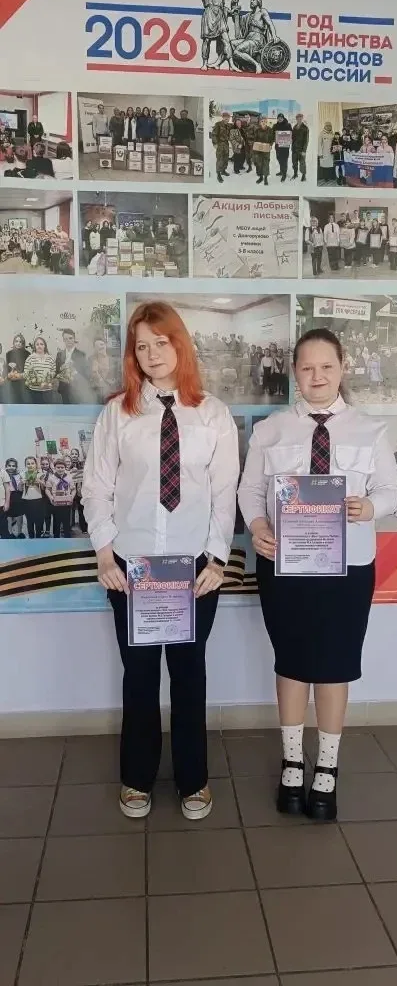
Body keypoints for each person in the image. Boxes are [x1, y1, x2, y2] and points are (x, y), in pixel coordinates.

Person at [82, 301, 239, 820]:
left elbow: (224, 494)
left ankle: (194, 780)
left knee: (190, 674)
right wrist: (105, 555)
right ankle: (137, 778)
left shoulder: (213, 414)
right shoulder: (119, 413)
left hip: (194, 568)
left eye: (160, 342)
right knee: (140, 675)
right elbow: (96, 488)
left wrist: (216, 561)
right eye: (141, 346)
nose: (151, 354)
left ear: (180, 344)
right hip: (133, 568)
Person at [238, 328, 397, 821]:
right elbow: (249, 491)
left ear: (342, 367)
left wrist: (368, 507)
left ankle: (327, 769)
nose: (317, 376)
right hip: (285, 566)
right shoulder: (270, 430)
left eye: (326, 366)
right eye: (307, 367)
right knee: (291, 661)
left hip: (348, 569)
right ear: (295, 372)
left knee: (335, 664)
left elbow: (392, 490)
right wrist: (258, 526)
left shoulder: (371, 430)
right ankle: (292, 764)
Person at [196, 0, 237, 71]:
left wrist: (231, 11)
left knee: (226, 40)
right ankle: (205, 63)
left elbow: (222, 7)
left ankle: (231, 64)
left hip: (220, 16)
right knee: (207, 40)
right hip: (210, 15)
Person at [55, 328, 88, 404]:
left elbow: (85, 373)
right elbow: (56, 372)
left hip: (77, 389)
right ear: (63, 340)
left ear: (74, 339)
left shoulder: (81, 354)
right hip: (64, 389)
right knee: (65, 410)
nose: (68, 340)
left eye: (70, 338)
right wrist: (61, 370)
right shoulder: (59, 354)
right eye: (66, 339)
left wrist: (74, 370)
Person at [46, 458, 75, 538]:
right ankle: (56, 537)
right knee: (56, 521)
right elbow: (47, 489)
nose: (60, 469)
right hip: (56, 503)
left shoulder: (69, 477)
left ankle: (67, 536)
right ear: (55, 468)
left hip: (66, 503)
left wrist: (72, 497)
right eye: (58, 467)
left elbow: (73, 489)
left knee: (66, 521)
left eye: (62, 467)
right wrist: (51, 497)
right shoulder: (51, 478)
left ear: (65, 468)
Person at [23, 337, 56, 403]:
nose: (39, 346)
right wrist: (33, 380)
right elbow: (26, 374)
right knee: (35, 409)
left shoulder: (51, 359)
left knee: (47, 409)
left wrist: (48, 381)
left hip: (47, 391)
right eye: (37, 344)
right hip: (33, 391)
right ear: (34, 346)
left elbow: (54, 373)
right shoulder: (30, 358)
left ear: (45, 346)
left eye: (41, 344)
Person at [21, 456, 45, 539]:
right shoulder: (22, 474)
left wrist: (40, 482)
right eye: (28, 464)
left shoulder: (40, 474)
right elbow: (19, 489)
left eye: (32, 463)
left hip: (38, 500)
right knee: (29, 520)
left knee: (38, 520)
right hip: (27, 500)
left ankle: (38, 537)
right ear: (25, 465)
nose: (30, 465)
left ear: (35, 464)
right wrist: (21, 483)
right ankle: (31, 538)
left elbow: (44, 488)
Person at [5, 334, 30, 404]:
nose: (18, 343)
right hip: (12, 383)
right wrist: (10, 375)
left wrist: (20, 376)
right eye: (16, 341)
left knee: (24, 402)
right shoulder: (8, 353)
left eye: (20, 342)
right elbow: (8, 369)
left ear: (23, 344)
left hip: (24, 383)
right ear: (13, 342)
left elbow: (28, 371)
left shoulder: (28, 354)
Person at [253, 116, 274, 186]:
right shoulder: (257, 130)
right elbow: (255, 139)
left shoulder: (270, 129)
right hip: (259, 149)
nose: (263, 122)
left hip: (266, 149)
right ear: (260, 122)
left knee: (266, 163)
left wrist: (270, 145)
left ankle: (265, 178)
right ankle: (261, 177)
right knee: (259, 163)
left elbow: (272, 139)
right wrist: (256, 146)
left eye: (265, 121)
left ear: (266, 122)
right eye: (262, 121)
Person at [212, 111, 231, 183]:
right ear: (222, 117)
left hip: (226, 144)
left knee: (226, 158)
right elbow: (214, 134)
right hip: (220, 144)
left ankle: (223, 170)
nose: (227, 118)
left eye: (228, 117)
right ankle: (218, 174)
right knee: (220, 159)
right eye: (225, 117)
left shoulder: (229, 126)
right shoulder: (218, 124)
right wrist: (215, 143)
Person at [273, 113, 292, 182]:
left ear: (283, 118)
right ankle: (281, 171)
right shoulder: (275, 126)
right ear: (277, 119)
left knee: (284, 160)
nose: (280, 119)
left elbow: (291, 134)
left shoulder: (288, 125)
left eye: (281, 118)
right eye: (278, 118)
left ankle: (284, 174)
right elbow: (272, 134)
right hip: (278, 146)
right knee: (279, 158)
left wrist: (289, 139)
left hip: (285, 147)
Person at [291, 113, 309, 181]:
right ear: (296, 119)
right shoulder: (294, 127)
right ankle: (295, 174)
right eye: (298, 118)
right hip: (294, 149)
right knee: (294, 162)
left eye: (300, 118)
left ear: (302, 118)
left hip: (301, 149)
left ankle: (304, 176)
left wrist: (304, 150)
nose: (299, 119)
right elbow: (292, 137)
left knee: (302, 163)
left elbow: (306, 140)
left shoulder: (305, 128)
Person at [0, 466, 10, 539]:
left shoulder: (3, 472)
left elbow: (7, 488)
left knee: (3, 524)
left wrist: (7, 502)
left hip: (1, 503)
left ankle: (5, 539)